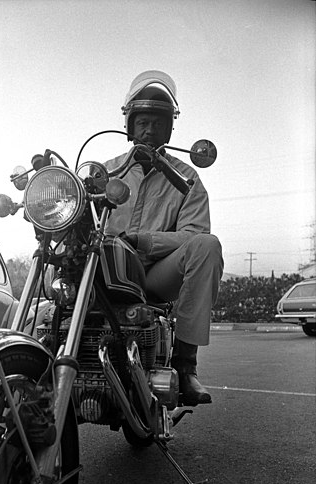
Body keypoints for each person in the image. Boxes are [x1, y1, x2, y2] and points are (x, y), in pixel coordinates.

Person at [105, 70, 224, 407]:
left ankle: (185, 365)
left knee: (208, 246)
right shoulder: (102, 171)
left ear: (170, 128)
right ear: (129, 124)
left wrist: (143, 240)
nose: (149, 129)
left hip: (156, 274)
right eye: (142, 121)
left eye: (157, 122)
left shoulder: (187, 177)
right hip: (106, 271)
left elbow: (193, 235)